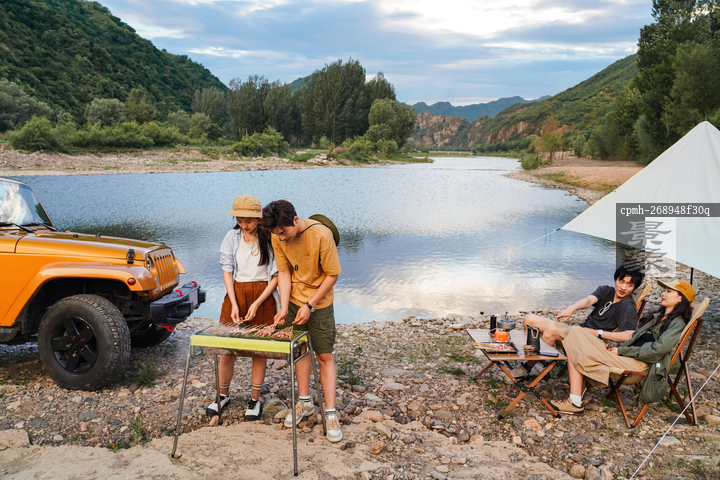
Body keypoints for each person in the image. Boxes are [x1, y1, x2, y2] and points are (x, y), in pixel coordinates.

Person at [261, 200, 343, 443]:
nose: (281, 238)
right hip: (295, 300)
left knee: (324, 356)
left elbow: (332, 275)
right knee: (299, 350)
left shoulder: (322, 235)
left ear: (295, 220)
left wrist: (310, 305)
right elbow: (284, 272)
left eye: (283, 232)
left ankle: (331, 414)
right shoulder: (277, 235)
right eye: (276, 234)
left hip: (320, 302)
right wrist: (284, 306)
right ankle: (305, 402)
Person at [553, 279, 695, 415]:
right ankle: (576, 395)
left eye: (669, 291)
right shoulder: (658, 317)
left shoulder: (677, 324)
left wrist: (621, 351)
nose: (663, 293)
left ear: (680, 298)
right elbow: (635, 338)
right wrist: (615, 345)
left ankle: (575, 402)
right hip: (627, 356)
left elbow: (656, 350)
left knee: (576, 333)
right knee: (577, 335)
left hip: (638, 365)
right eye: (664, 290)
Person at [206, 195, 280, 421]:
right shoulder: (232, 236)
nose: (244, 225)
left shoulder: (269, 237)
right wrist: (233, 302)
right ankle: (222, 395)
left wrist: (257, 302)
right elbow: (227, 270)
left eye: (248, 220)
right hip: (236, 292)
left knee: (259, 351)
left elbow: (276, 276)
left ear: (259, 218)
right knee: (227, 349)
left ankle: (254, 399)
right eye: (239, 220)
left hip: (263, 294)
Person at [512, 265, 644, 379]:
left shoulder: (627, 307)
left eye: (630, 285)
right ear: (616, 279)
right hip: (578, 330)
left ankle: (526, 369)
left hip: (591, 341)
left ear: (634, 288)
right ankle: (539, 362)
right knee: (529, 319)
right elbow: (589, 300)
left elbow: (629, 335)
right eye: (621, 281)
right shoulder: (606, 291)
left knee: (551, 330)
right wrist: (571, 308)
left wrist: (597, 333)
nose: (623, 287)